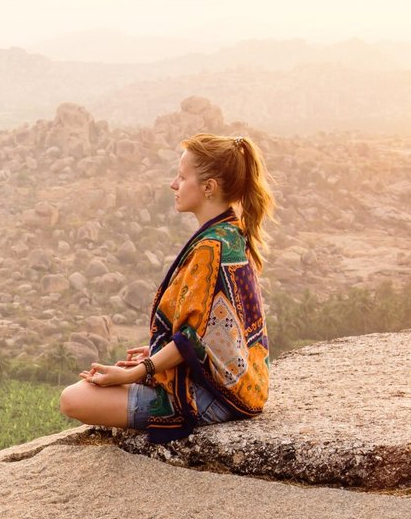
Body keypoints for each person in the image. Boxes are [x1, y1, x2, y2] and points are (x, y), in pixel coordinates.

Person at [59, 133, 274, 442]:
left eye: (182, 177)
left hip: (212, 397)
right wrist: (156, 351)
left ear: (208, 187)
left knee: (74, 398)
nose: (174, 184)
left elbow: (192, 336)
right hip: (238, 386)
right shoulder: (229, 234)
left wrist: (137, 371)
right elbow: (216, 331)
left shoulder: (211, 248)